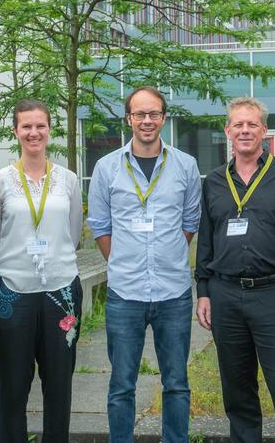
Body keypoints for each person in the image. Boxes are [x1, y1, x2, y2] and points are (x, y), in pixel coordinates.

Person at [195, 96, 275, 443]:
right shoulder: (215, 181)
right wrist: (203, 291)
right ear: (228, 131)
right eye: (238, 124)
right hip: (225, 296)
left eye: (252, 124)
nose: (245, 130)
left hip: (274, 295)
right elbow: (206, 242)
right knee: (237, 392)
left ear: (265, 131)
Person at [87, 86, 201, 443]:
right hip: (125, 293)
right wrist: (125, 261)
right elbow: (101, 227)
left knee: (177, 383)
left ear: (164, 118)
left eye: (153, 114)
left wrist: (163, 254)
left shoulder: (186, 165)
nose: (147, 121)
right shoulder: (106, 168)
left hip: (174, 292)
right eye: (139, 114)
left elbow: (189, 222)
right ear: (128, 119)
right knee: (122, 383)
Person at [0, 99, 83, 442]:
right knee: (12, 384)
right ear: (15, 131)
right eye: (26, 126)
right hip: (13, 292)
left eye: (40, 125)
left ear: (50, 130)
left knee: (59, 384)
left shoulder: (67, 181)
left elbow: (72, 233)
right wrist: (9, 276)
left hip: (61, 291)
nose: (34, 132)